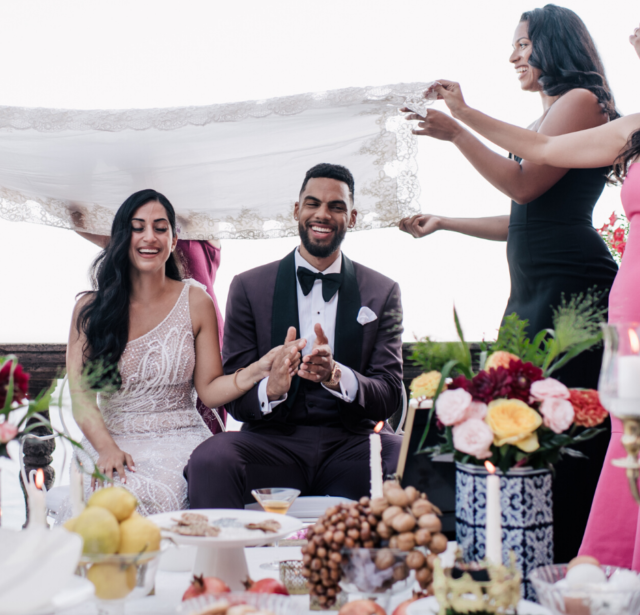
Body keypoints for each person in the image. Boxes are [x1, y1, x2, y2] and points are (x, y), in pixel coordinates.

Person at [418, 1, 640, 613]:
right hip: (629, 310)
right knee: (629, 444)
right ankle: (622, 588)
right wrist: (464, 115)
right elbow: (540, 148)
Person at [398, 5, 619, 563]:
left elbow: (521, 188)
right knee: (523, 425)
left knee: (567, 428)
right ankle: (533, 555)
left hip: (571, 289)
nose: (514, 56)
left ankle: (568, 558)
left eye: (524, 44)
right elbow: (522, 221)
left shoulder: (580, 100)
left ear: (555, 45)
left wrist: (459, 127)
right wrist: (447, 221)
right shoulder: (547, 116)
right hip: (532, 291)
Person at [65, 189, 300, 515]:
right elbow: (81, 398)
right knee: (106, 496)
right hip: (112, 435)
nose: (150, 237)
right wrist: (107, 449)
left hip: (181, 436)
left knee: (176, 488)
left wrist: (257, 370)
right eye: (138, 227)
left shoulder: (195, 301)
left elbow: (210, 389)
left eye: (161, 228)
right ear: (121, 236)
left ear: (174, 240)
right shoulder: (89, 309)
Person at [186, 163, 405, 508]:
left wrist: (337, 375)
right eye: (313, 203)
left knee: (406, 458)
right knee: (212, 459)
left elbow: (390, 394)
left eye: (337, 207)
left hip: (352, 445)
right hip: (272, 445)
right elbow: (234, 398)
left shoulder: (382, 291)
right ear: (296, 210)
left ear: (353, 218)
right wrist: (269, 389)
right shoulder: (248, 287)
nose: (323, 214)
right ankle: (222, 562)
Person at [72, 214, 226, 433]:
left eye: (161, 228)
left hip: (196, 321)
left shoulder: (199, 222)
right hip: (145, 319)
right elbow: (80, 220)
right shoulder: (142, 234)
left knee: (208, 414)